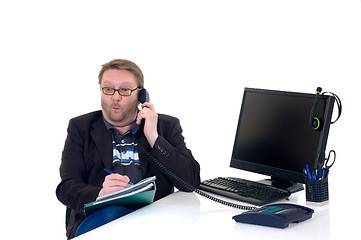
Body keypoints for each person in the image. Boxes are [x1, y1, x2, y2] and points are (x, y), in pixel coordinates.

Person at [56, 59, 201, 239]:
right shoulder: (81, 127)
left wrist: (154, 138)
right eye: (108, 89)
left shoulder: (166, 126)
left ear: (141, 95)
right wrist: (101, 193)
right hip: (100, 221)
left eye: (125, 90)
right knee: (112, 214)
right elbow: (66, 187)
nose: (115, 97)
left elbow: (190, 181)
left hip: (154, 223)